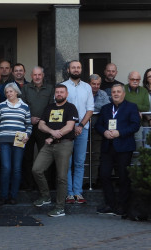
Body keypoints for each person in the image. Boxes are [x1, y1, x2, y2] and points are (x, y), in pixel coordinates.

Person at [32, 84, 78, 217]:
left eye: (61, 92)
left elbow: (69, 127)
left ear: (66, 94)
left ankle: (60, 207)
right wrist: (52, 132)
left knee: (61, 177)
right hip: (49, 145)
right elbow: (41, 125)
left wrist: (52, 137)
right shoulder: (49, 107)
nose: (59, 94)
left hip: (64, 144)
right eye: (57, 92)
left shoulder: (71, 108)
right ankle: (46, 196)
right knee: (37, 169)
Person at [95, 84, 140, 216]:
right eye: (113, 92)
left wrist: (119, 132)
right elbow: (98, 125)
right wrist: (104, 132)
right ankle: (110, 204)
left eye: (118, 92)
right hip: (108, 147)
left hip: (124, 146)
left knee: (123, 177)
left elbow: (135, 125)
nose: (115, 94)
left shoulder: (131, 107)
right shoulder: (105, 108)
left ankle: (123, 206)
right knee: (104, 175)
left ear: (123, 94)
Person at [0, 82, 32, 205]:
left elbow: (29, 125)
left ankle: (13, 196)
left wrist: (27, 135)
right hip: (3, 141)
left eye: (11, 91)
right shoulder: (1, 106)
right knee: (6, 168)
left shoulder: (24, 106)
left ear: (16, 92)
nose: (9, 94)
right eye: (7, 92)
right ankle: (3, 196)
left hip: (19, 141)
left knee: (16, 169)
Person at [62, 60, 94, 204]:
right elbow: (59, 108)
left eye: (78, 67)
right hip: (66, 131)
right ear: (68, 70)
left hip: (83, 129)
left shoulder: (87, 87)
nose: (76, 69)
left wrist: (80, 125)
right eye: (73, 67)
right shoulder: (63, 87)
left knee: (80, 162)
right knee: (67, 163)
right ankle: (69, 193)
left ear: (81, 70)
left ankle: (78, 192)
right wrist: (70, 126)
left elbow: (90, 109)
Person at [20, 66, 55, 191]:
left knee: (45, 156)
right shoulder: (25, 88)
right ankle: (29, 185)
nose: (37, 77)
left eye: (39, 74)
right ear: (31, 75)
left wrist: (42, 120)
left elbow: (52, 106)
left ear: (43, 75)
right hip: (28, 126)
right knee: (27, 157)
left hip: (44, 127)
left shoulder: (50, 88)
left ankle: (46, 186)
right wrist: (30, 118)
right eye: (35, 75)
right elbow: (22, 106)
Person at [89, 74, 110, 187]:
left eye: (98, 84)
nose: (96, 86)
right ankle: (84, 181)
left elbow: (106, 107)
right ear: (89, 84)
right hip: (83, 128)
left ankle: (93, 180)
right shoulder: (84, 93)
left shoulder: (103, 93)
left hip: (98, 129)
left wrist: (91, 108)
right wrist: (94, 108)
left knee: (96, 155)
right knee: (83, 156)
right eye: (93, 84)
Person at [124, 71, 150, 150]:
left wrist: (130, 105)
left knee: (138, 147)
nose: (135, 81)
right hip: (124, 124)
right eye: (132, 79)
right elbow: (120, 105)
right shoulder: (122, 89)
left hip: (138, 124)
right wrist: (136, 109)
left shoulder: (144, 91)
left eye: (137, 79)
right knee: (125, 148)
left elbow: (146, 107)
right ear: (128, 79)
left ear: (140, 80)